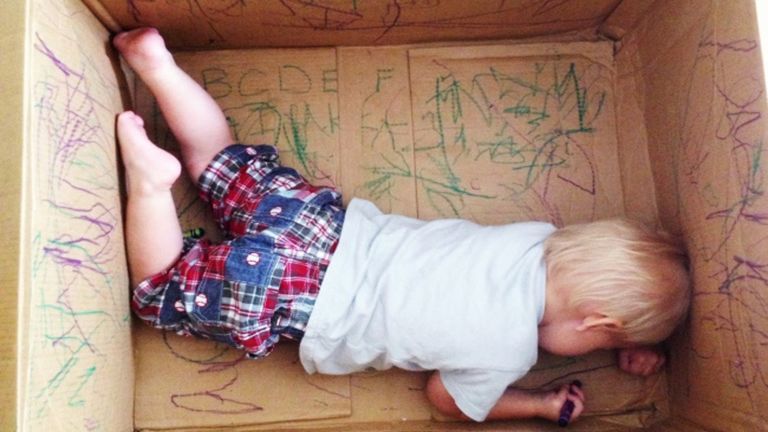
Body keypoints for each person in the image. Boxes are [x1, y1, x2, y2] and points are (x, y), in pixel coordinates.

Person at [113, 28, 691, 425]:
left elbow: (572, 317)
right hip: (299, 298)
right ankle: (151, 187)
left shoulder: (537, 238)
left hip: (321, 226)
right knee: (160, 289)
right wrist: (538, 404)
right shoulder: (507, 354)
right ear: (596, 323)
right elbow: (449, 400)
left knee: (217, 156)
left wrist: (629, 338)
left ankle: (157, 65)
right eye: (606, 341)